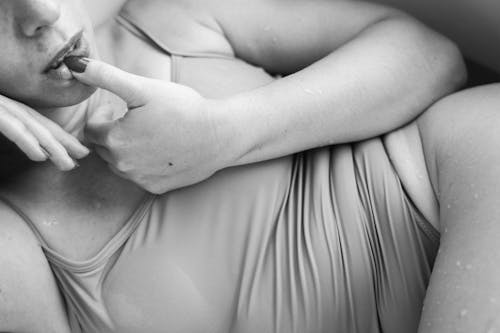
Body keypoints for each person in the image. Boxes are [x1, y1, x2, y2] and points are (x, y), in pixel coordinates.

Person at [0, 0, 496, 332]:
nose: (43, 12)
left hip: (461, 175)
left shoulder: (161, 18)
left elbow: (433, 58)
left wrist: (221, 135)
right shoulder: (14, 240)